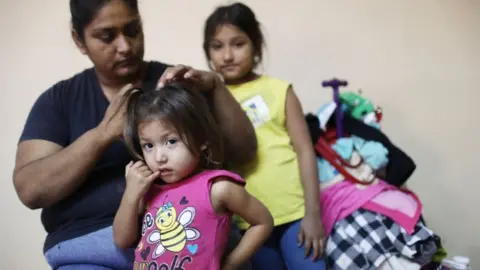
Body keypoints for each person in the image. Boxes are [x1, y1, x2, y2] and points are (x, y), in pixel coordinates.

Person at [13, 0, 257, 269]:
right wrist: (101, 135)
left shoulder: (175, 86)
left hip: (192, 237)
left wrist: (216, 88)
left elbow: (244, 151)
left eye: (133, 30)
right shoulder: (59, 100)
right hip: (91, 249)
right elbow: (30, 190)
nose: (125, 47)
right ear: (79, 40)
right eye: (107, 36)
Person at [203, 3, 326, 270]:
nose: (227, 55)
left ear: (256, 46)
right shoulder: (211, 101)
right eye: (217, 46)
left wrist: (314, 215)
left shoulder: (279, 90)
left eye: (238, 44)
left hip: (295, 214)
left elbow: (305, 151)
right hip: (249, 222)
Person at [113, 83, 273, 270]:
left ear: (201, 140)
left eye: (171, 141)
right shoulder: (147, 189)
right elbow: (122, 240)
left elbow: (263, 222)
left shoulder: (217, 187)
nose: (159, 157)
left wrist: (229, 265)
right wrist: (130, 195)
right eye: (148, 145)